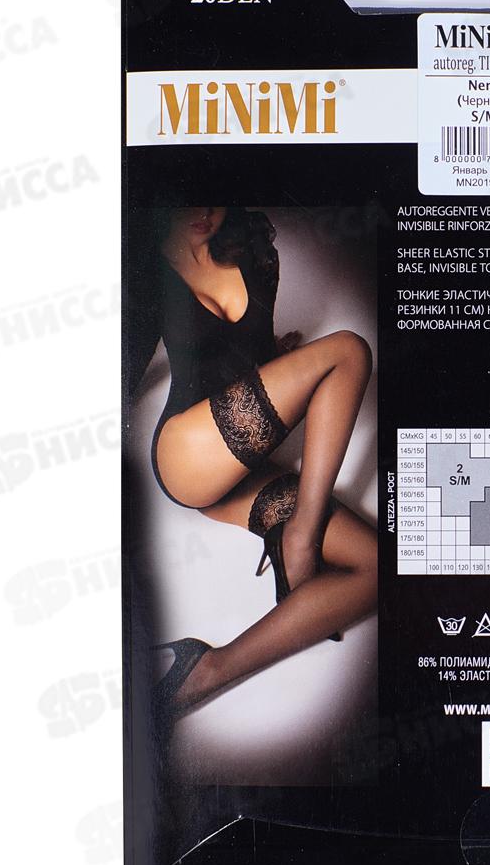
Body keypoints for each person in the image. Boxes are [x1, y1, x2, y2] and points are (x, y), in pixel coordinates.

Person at [127, 204, 377, 714]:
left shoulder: (253, 249)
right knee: (348, 350)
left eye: (213, 196)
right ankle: (300, 537)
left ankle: (205, 671)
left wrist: (282, 364)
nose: (203, 212)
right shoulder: (148, 276)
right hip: (188, 456)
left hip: (241, 469)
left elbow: (253, 351)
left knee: (375, 567)